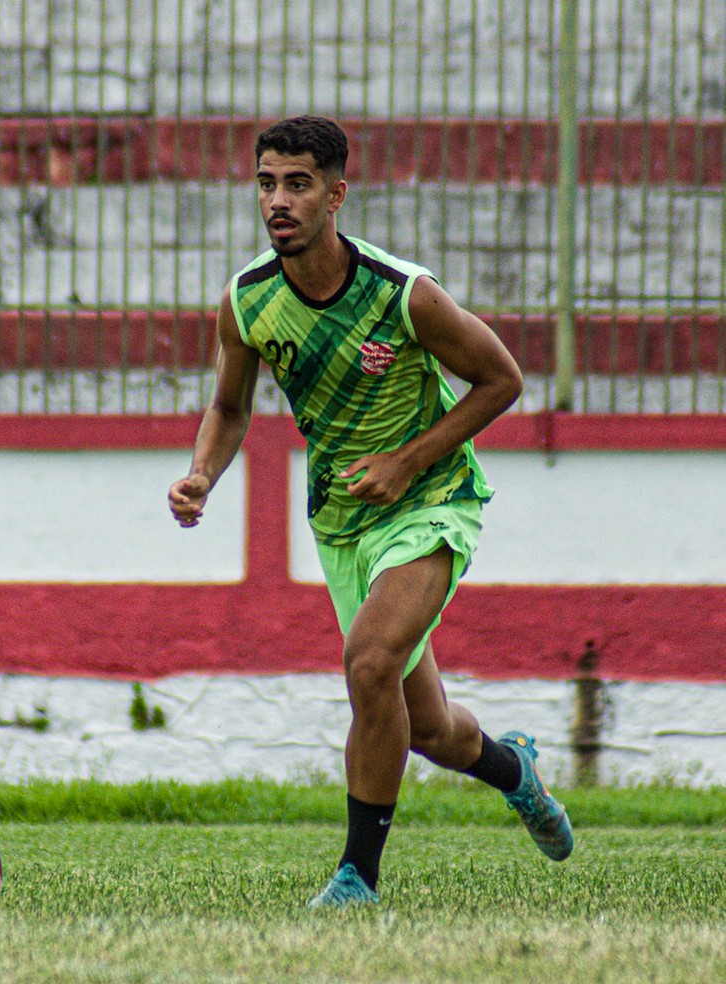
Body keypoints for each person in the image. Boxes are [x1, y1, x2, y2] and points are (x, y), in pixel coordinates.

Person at [167, 115, 573, 907]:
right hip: (343, 525)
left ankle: (358, 878)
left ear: (336, 194)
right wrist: (201, 473)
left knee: (369, 664)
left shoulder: (401, 294)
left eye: (298, 183)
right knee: (430, 730)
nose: (278, 201)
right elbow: (228, 405)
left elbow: (503, 379)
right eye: (266, 183)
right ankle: (513, 769)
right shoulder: (248, 301)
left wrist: (405, 461)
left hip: (433, 500)